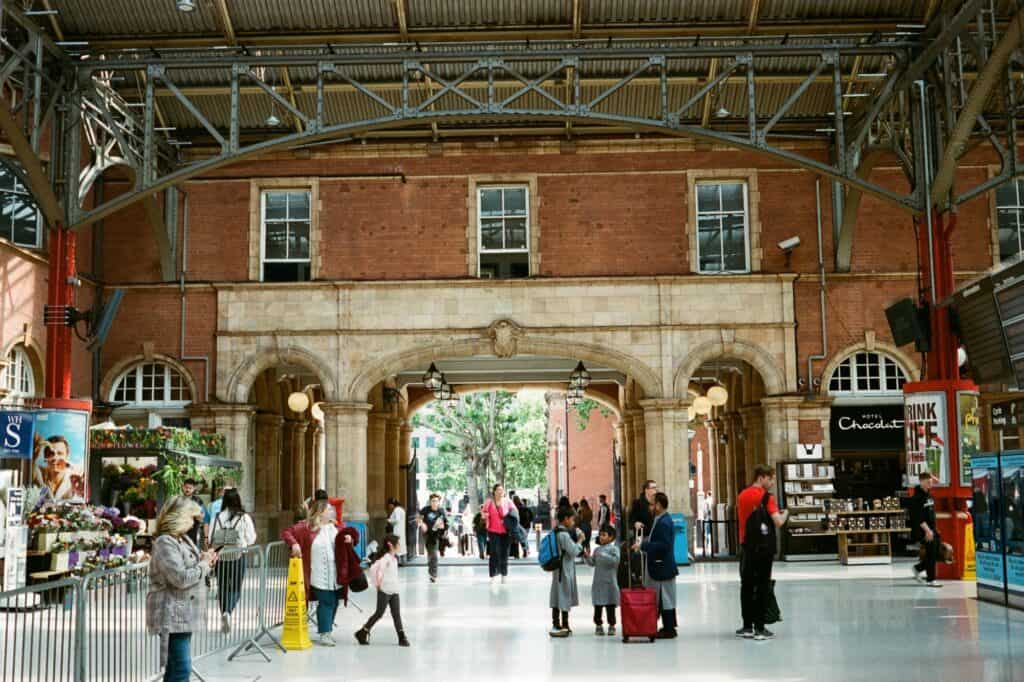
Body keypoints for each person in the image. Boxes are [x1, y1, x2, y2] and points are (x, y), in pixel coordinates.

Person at [146, 495, 217, 682]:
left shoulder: (183, 539)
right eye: (191, 519)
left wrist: (205, 561)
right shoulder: (164, 542)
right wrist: (202, 565)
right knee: (182, 669)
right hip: (172, 614)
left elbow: (193, 567)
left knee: (176, 667)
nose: (194, 524)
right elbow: (180, 578)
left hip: (185, 613)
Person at [281, 500, 359, 646]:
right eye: (329, 509)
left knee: (334, 602)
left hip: (335, 574)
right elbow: (287, 532)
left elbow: (352, 534)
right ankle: (324, 633)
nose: (332, 512)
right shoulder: (306, 527)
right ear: (320, 512)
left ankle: (327, 630)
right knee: (326, 601)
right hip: (317, 574)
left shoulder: (335, 527)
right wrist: (294, 544)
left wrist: (351, 539)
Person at [736, 465, 788, 642]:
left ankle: (746, 626)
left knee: (747, 586)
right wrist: (785, 514)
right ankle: (760, 628)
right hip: (764, 550)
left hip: (746, 546)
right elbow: (778, 522)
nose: (772, 482)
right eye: (770, 478)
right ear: (761, 477)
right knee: (762, 585)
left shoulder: (742, 495)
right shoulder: (767, 498)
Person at [207, 488, 256, 633]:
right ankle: (229, 612)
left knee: (222, 587)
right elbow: (251, 538)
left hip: (221, 557)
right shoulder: (244, 517)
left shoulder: (217, 517)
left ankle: (224, 612)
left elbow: (211, 538)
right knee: (235, 588)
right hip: (238, 556)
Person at [633, 492, 679, 639]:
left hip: (662, 567)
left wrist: (643, 545)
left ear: (659, 505)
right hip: (660, 566)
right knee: (665, 598)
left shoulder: (664, 522)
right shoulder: (660, 519)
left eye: (652, 504)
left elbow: (663, 545)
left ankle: (669, 628)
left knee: (665, 598)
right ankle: (668, 626)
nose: (650, 507)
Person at [355, 535, 410, 647]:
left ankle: (402, 637)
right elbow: (377, 570)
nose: (400, 546)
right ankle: (363, 631)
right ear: (390, 544)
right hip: (384, 590)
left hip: (394, 591)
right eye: (398, 544)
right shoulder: (386, 558)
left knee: (396, 614)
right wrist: (378, 584)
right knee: (379, 613)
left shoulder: (394, 559)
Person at [549, 506, 585, 637]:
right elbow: (574, 551)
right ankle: (564, 624)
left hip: (557, 569)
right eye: (572, 519)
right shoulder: (564, 535)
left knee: (557, 595)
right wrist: (581, 539)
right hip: (564, 569)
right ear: (565, 519)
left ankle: (556, 623)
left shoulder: (556, 531)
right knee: (564, 596)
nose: (573, 522)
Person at [585, 524, 620, 636]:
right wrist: (587, 556)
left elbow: (615, 561)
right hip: (598, 583)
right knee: (598, 606)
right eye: (600, 535)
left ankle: (612, 625)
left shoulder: (614, 549)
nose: (601, 537)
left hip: (610, 582)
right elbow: (592, 563)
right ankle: (598, 625)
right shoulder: (597, 550)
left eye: (604, 535)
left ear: (611, 537)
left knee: (610, 606)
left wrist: (604, 555)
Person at [910, 471, 942, 588]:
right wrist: (928, 531)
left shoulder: (928, 493)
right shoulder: (917, 498)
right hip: (925, 530)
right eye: (928, 481)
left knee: (938, 552)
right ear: (921, 482)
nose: (931, 483)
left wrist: (931, 476)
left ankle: (918, 568)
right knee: (931, 554)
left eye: (931, 481)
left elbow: (938, 481)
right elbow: (918, 517)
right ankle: (931, 579)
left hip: (933, 528)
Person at [481, 484, 515, 583]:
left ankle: (504, 574)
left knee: (505, 553)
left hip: (506, 531)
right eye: (498, 490)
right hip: (493, 531)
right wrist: (485, 515)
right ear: (494, 492)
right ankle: (493, 575)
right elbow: (483, 514)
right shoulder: (489, 502)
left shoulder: (508, 502)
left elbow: (514, 513)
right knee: (494, 552)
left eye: (502, 490)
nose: (500, 492)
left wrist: (510, 518)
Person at [418, 493, 448, 583]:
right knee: (432, 554)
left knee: (433, 555)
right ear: (430, 502)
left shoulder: (441, 511)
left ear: (439, 502)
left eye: (436, 501)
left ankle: (433, 574)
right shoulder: (425, 509)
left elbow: (445, 523)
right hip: (427, 534)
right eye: (433, 501)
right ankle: (431, 569)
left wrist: (443, 527)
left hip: (436, 535)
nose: (434, 503)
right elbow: (419, 518)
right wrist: (422, 524)